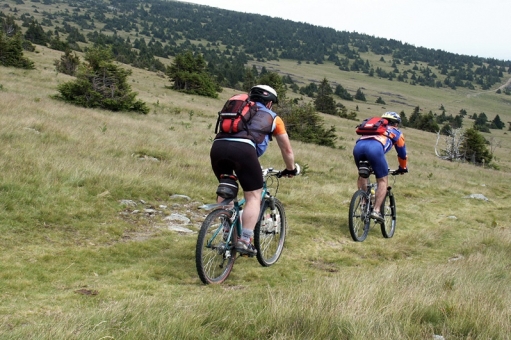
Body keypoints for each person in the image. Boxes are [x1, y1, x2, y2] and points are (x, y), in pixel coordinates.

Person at [210, 85, 298, 255]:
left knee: (227, 188)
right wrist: (290, 169)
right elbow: (287, 150)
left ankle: (227, 231)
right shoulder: (274, 118)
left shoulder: (239, 110)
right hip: (244, 151)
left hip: (218, 147)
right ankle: (244, 240)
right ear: (270, 103)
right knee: (253, 196)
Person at [353, 111, 408, 222]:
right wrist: (403, 168)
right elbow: (402, 154)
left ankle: (364, 203)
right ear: (396, 124)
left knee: (363, 174)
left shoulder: (374, 128)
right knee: (382, 180)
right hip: (375, 150)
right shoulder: (396, 132)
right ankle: (376, 210)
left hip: (358, 148)